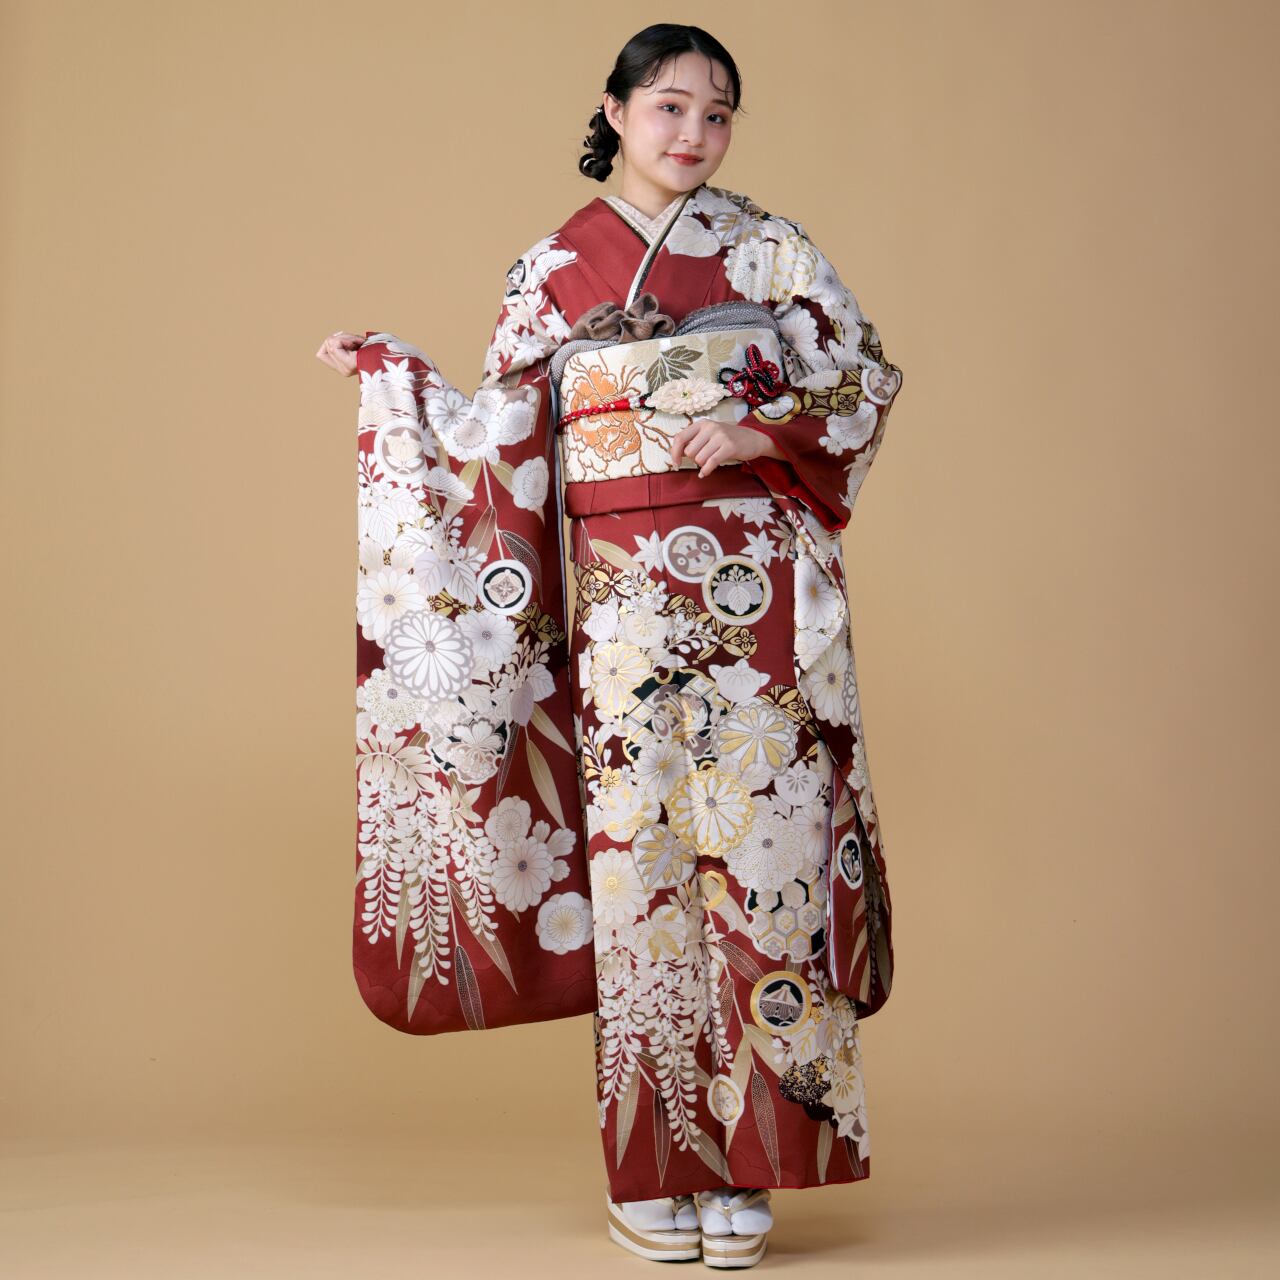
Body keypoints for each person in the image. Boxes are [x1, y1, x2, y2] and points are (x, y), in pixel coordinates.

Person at [318, 23, 903, 1269]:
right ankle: (657, 1162)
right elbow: (494, 432)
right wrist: (392, 377)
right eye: (669, 105)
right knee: (641, 869)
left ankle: (757, 1158)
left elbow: (861, 379)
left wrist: (757, 434)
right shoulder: (550, 267)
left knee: (766, 858)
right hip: (624, 603)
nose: (694, 132)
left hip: (756, 595)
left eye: (717, 112)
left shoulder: (768, 248)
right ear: (615, 111)